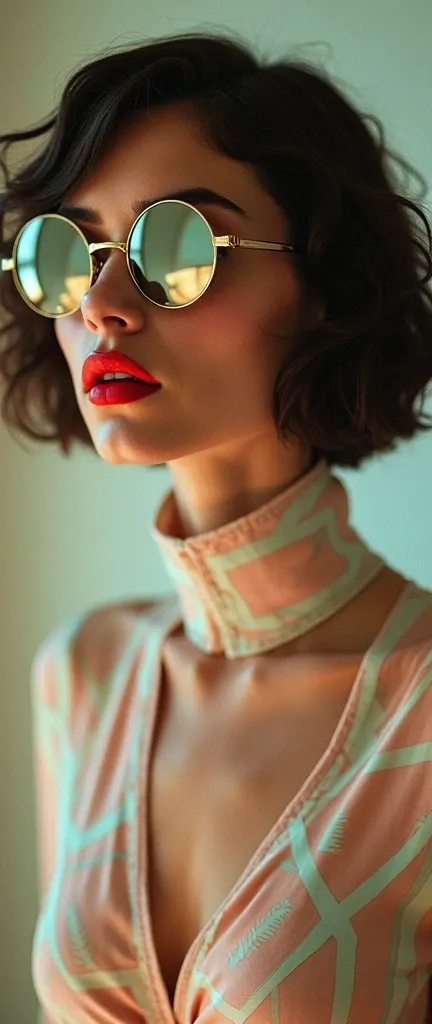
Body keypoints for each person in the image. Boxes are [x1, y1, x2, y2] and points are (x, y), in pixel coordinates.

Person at [1, 28, 432, 1024]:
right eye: (68, 252)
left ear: (321, 281)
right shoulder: (82, 676)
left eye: (175, 247)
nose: (103, 306)